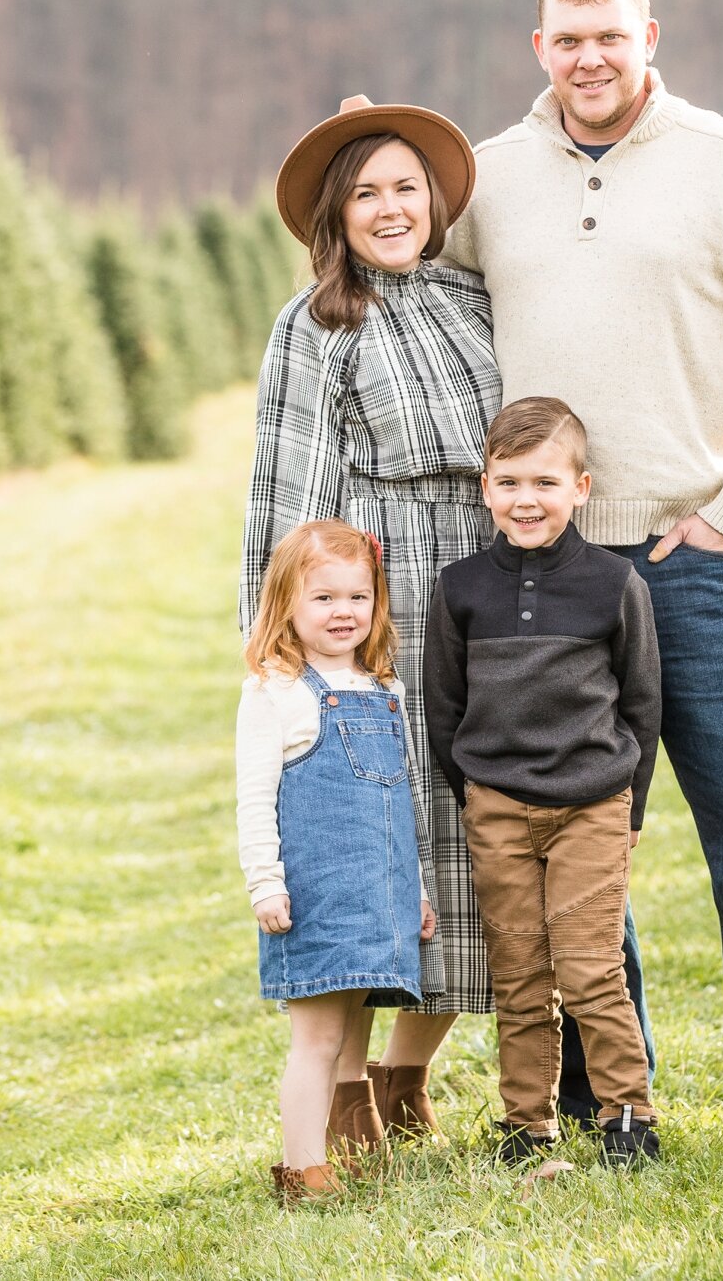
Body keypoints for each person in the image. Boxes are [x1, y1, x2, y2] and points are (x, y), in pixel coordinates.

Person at [439, 0, 723, 1152]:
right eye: (566, 39)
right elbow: (406, 259)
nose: (588, 58)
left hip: (694, 566)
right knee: (572, 841)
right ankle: (601, 1100)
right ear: (539, 47)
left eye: (609, 37)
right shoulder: (491, 176)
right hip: (554, 581)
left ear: (648, 38)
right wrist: (373, 153)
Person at [240, 96, 500, 1157]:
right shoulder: (316, 326)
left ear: (431, 199)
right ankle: (342, 1087)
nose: (389, 209)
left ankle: (405, 1071)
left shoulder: (474, 300)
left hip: (480, 591)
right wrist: (289, 656)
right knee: (367, 845)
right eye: (365, 193)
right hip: (379, 609)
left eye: (404, 187)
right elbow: (290, 499)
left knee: (471, 843)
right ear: (335, 216)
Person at [424, 397, 663, 1168]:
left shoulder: (613, 582)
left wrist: (632, 806)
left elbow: (642, 702)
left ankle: (629, 1114)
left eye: (545, 483)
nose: (527, 500)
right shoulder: (461, 589)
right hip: (496, 808)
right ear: (485, 489)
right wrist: (477, 794)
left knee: (593, 967)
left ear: (582, 488)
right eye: (509, 482)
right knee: (519, 971)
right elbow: (444, 706)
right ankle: (528, 1124)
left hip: (592, 804)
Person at [237, 520, 437, 1204]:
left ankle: (325, 1157)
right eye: (323, 597)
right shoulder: (277, 691)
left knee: (347, 1028)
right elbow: (254, 798)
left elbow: (400, 809)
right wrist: (266, 882)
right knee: (318, 1040)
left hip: (378, 897)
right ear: (287, 604)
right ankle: (303, 1171)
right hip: (317, 898)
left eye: (359, 595)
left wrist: (414, 891)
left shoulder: (385, 688)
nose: (344, 611)